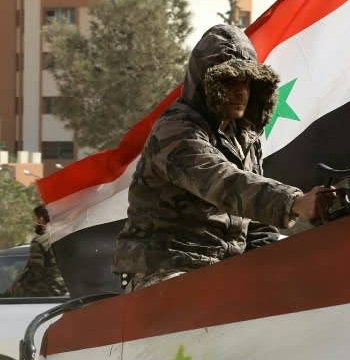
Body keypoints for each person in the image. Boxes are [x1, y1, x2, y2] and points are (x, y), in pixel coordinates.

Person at [113, 24, 329, 292]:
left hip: (225, 270)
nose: (240, 91)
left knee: (313, 275)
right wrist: (294, 202)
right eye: (229, 81)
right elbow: (222, 182)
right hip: (167, 265)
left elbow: (255, 228)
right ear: (206, 84)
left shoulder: (245, 139)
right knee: (194, 305)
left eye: (247, 82)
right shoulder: (177, 130)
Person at [8, 205, 69, 297]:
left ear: (40, 219)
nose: (35, 221)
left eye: (35, 218)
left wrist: (20, 284)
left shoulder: (40, 241)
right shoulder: (68, 236)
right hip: (72, 289)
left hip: (51, 293)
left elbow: (37, 272)